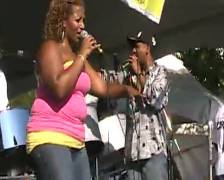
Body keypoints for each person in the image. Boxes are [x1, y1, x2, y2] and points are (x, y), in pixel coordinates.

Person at [26, 0, 139, 180]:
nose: (83, 26)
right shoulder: (50, 48)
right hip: (50, 135)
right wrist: (82, 55)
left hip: (76, 140)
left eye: (83, 21)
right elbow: (59, 89)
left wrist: (128, 89)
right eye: (78, 20)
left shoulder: (78, 59)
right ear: (63, 21)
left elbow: (103, 87)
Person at [123, 31, 169, 180]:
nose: (133, 51)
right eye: (132, 47)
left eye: (137, 46)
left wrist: (139, 74)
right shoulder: (128, 75)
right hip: (132, 153)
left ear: (147, 48)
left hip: (152, 151)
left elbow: (155, 100)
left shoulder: (160, 73)